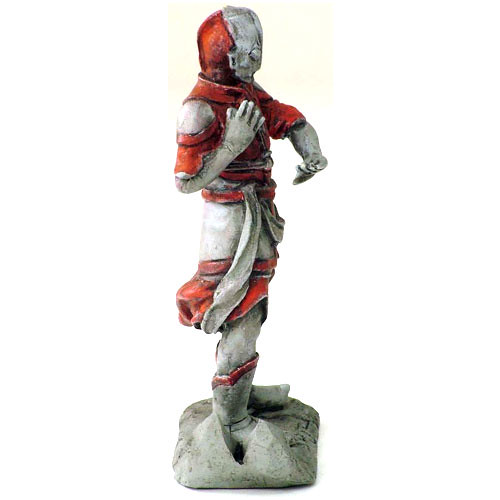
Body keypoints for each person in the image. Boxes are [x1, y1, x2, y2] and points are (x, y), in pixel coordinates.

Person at [174, 6, 328, 462]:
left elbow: (283, 116)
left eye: (258, 46)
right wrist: (231, 146)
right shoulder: (198, 109)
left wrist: (310, 148)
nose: (255, 56)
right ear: (222, 52)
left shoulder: (244, 92)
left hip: (256, 216)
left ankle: (240, 392)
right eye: (246, 49)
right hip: (228, 228)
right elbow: (186, 181)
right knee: (238, 315)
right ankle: (232, 419)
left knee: (254, 312)